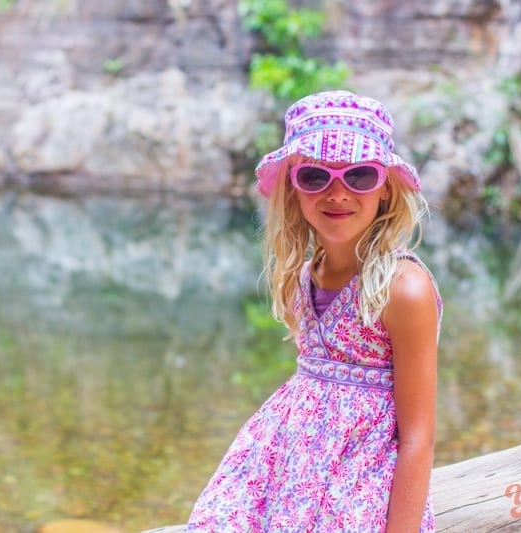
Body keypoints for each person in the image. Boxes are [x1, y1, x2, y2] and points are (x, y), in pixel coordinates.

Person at [186, 90, 442, 532]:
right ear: (294, 189)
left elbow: (418, 436)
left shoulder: (404, 290)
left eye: (360, 175)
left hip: (357, 479)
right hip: (284, 469)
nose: (338, 193)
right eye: (315, 176)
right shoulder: (305, 276)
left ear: (384, 189)